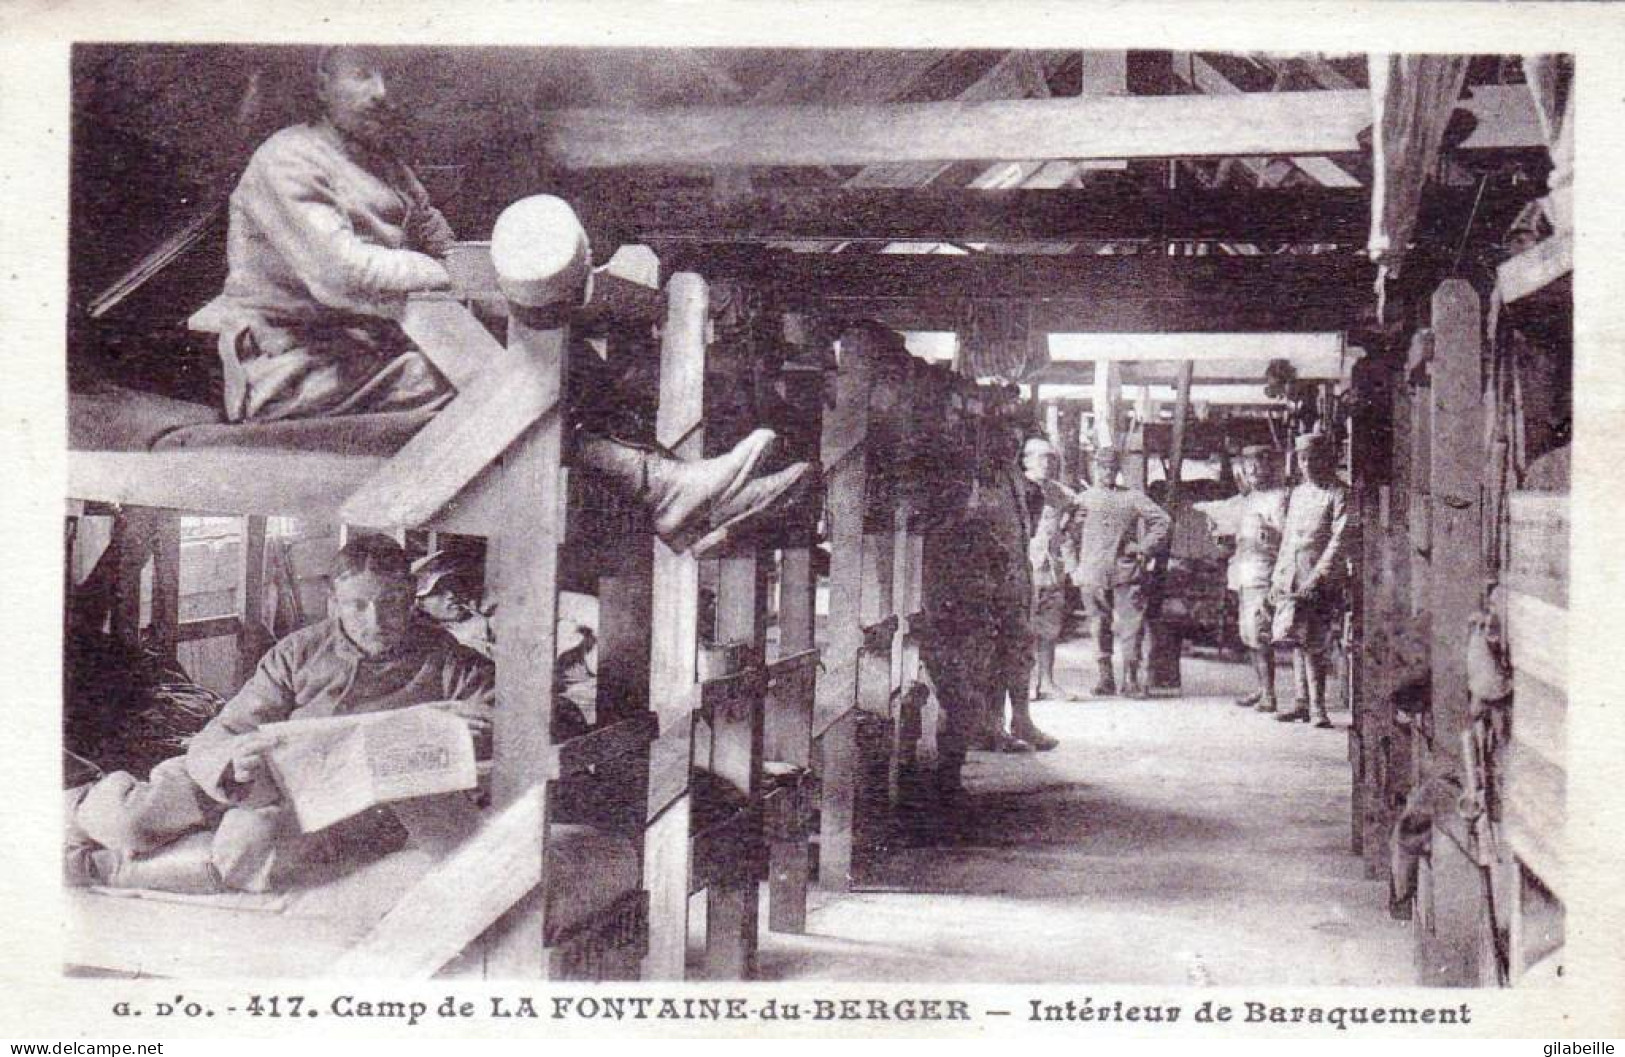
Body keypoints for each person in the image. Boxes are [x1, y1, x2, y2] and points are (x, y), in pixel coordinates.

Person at [207, 46, 807, 555]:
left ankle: (685, 493)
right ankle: (672, 494)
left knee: (571, 366)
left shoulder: (388, 168)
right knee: (506, 391)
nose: (383, 91)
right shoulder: (287, 160)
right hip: (291, 372)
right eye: (363, 74)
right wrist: (437, 274)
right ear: (322, 81)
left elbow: (447, 247)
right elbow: (343, 276)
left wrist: (475, 274)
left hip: (366, 358)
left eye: (391, 75)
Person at [65, 536, 495, 893]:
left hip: (341, 799)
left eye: (392, 602)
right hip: (252, 773)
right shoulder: (298, 651)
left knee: (248, 847)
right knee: (129, 820)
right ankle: (74, 803)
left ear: (411, 597)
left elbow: (508, 725)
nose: (376, 620)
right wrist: (233, 759)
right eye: (357, 605)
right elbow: (226, 729)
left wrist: (471, 731)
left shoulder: (451, 662)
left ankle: (100, 869)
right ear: (334, 603)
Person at [1071, 447, 1171, 699]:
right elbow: (1066, 536)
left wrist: (1144, 547)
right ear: (1095, 467)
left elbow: (1163, 521)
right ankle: (1105, 678)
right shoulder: (1083, 499)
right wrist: (1074, 567)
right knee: (1098, 624)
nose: (1106, 472)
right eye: (1102, 467)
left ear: (1118, 470)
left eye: (1111, 467)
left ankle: (1131, 678)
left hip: (1125, 570)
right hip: (1092, 572)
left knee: (1131, 626)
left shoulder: (1132, 498)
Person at [1268, 432, 1353, 728]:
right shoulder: (1299, 494)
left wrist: (1318, 578)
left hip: (1319, 579)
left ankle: (1318, 708)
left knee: (1314, 640)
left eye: (1313, 458)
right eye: (1302, 459)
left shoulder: (1340, 494)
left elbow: (1339, 542)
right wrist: (1278, 577)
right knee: (1296, 638)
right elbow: (1288, 539)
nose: (1307, 465)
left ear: (1327, 459)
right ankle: (1301, 703)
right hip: (1293, 575)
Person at [1200, 445, 1290, 712]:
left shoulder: (1279, 499)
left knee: (1258, 633)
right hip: (1243, 571)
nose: (1252, 472)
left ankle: (1270, 694)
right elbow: (1236, 541)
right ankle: (1262, 688)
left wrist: (1268, 534)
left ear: (1269, 467)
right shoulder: (1247, 500)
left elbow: (1286, 538)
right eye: (1248, 467)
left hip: (1263, 572)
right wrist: (1223, 539)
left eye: (1257, 466)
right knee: (1248, 634)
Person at [1020, 436, 1082, 702]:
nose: (1047, 463)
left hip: (1052, 570)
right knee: (1023, 630)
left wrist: (1071, 566)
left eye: (1051, 458)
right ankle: (1024, 686)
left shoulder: (1064, 495)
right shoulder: (1017, 490)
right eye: (1041, 457)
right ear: (1026, 460)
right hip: (1024, 568)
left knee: (1049, 628)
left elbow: (1070, 531)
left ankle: (1046, 681)